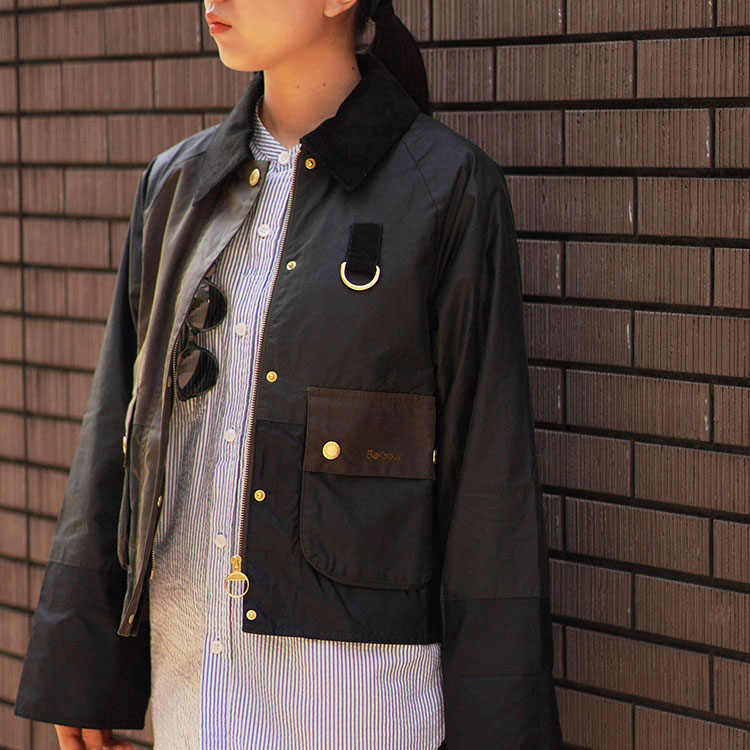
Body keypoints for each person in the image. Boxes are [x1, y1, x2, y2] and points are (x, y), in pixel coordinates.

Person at [14, 0, 563, 748]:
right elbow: (120, 420)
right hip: (192, 687)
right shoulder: (177, 185)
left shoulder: (447, 189)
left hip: (359, 706)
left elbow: (490, 477)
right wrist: (80, 665)